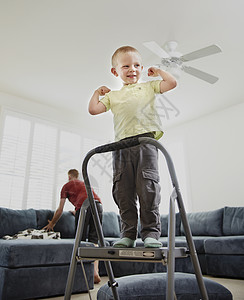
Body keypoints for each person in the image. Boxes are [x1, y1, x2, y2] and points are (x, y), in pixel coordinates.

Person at [88, 46, 177, 248]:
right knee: (123, 191)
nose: (132, 69)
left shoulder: (148, 87)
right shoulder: (113, 96)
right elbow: (93, 109)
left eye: (137, 65)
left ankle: (151, 234)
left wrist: (160, 71)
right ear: (115, 71)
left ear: (142, 67)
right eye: (126, 66)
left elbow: (172, 83)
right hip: (122, 146)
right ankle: (128, 234)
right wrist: (96, 92)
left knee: (148, 188)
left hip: (146, 143)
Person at [43, 169, 103, 284]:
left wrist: (52, 223)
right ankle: (95, 272)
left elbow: (60, 210)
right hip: (98, 205)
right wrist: (78, 212)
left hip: (84, 208)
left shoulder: (66, 186)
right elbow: (89, 200)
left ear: (69, 177)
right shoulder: (84, 184)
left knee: (79, 241)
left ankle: (80, 275)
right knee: (95, 241)